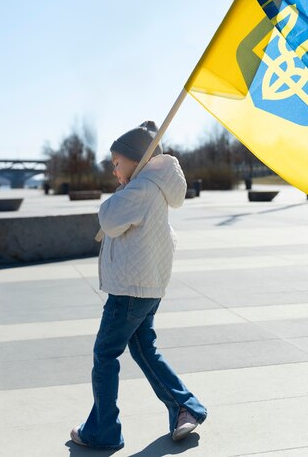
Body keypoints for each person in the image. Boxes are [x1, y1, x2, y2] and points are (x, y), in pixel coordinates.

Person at [70, 121, 207, 450]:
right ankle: (185, 406)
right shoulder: (155, 186)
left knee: (104, 355)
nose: (114, 170)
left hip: (129, 290)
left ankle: (103, 430)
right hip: (147, 287)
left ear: (137, 159)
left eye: (117, 163)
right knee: (144, 348)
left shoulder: (141, 188)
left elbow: (110, 220)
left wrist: (120, 193)